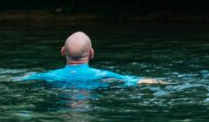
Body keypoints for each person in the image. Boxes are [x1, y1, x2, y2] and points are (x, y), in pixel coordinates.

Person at [20, 31, 162, 86]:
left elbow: (21, 78)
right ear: (92, 53)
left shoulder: (49, 75)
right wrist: (163, 82)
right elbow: (137, 81)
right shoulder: (105, 75)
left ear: (63, 51)